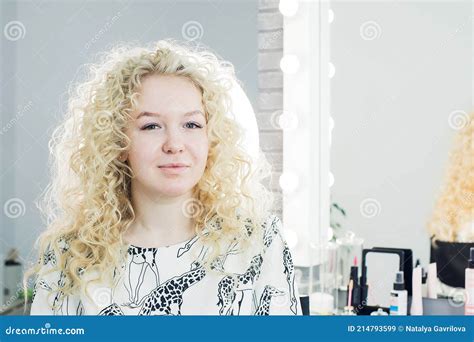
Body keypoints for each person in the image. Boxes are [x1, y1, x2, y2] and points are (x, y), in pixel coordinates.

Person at [24, 40, 302, 316]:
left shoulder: (259, 242)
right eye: (151, 126)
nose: (174, 144)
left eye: (191, 124)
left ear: (211, 139)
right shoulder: (70, 256)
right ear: (118, 143)